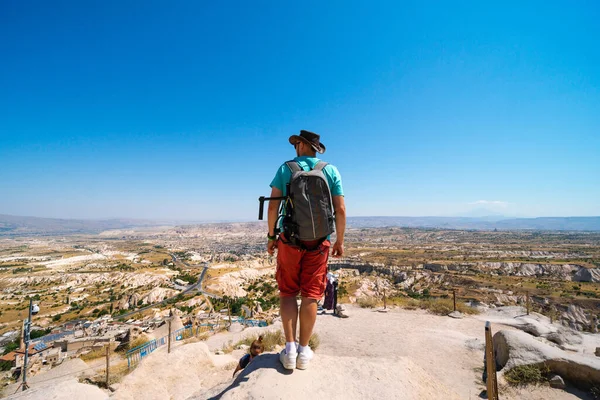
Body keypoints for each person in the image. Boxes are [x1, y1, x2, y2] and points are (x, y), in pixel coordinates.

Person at [267, 130, 346, 370]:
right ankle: (303, 351)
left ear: (302, 145)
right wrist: (339, 241)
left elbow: (273, 207)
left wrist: (271, 236)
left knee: (288, 292)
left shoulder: (286, 169)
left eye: (296, 144)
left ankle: (289, 350)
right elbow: (340, 209)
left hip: (289, 240)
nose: (294, 148)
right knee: (311, 294)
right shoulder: (330, 170)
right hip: (319, 241)